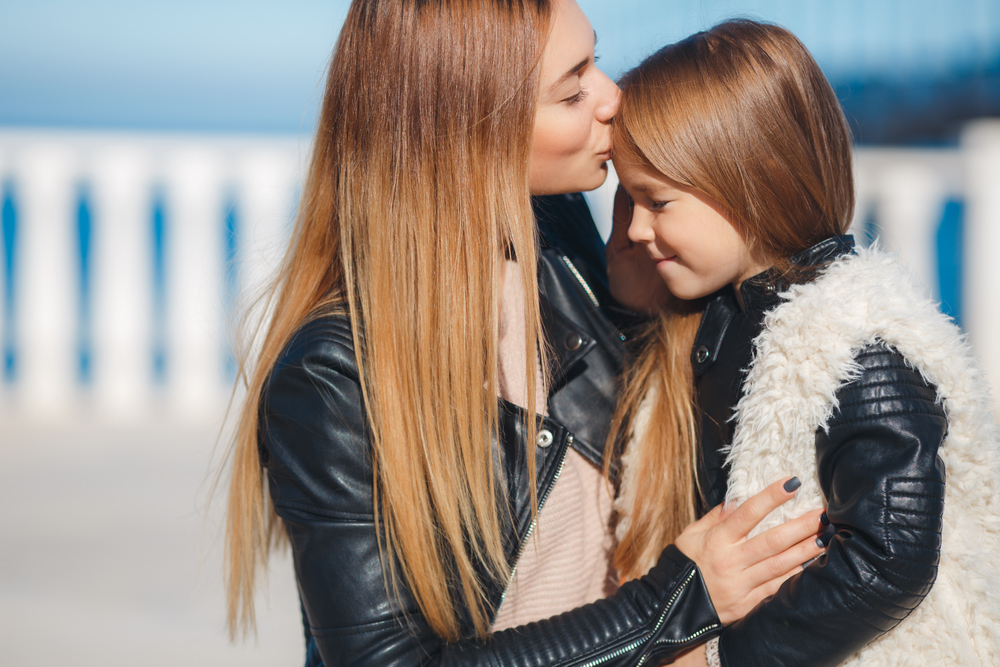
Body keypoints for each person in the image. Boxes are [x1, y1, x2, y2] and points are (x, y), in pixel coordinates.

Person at [224, 3, 827, 666]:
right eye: (572, 89)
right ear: (462, 131)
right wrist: (679, 601)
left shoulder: (570, 249)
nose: (612, 97)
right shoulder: (335, 377)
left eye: (595, 61)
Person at [607, 19, 1000, 667]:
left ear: (750, 181)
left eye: (656, 201)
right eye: (625, 199)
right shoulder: (713, 318)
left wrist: (728, 658)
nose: (636, 227)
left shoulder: (853, 331)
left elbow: (892, 549)